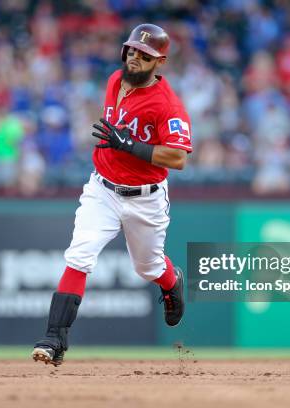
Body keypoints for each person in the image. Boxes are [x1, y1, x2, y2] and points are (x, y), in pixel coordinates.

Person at [32, 23, 192, 366]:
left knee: (147, 266)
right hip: (102, 188)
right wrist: (120, 146)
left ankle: (171, 280)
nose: (135, 57)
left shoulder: (167, 104)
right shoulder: (114, 81)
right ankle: (54, 339)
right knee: (80, 254)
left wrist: (130, 145)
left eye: (144, 55)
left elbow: (178, 157)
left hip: (145, 197)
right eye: (132, 50)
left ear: (159, 62)